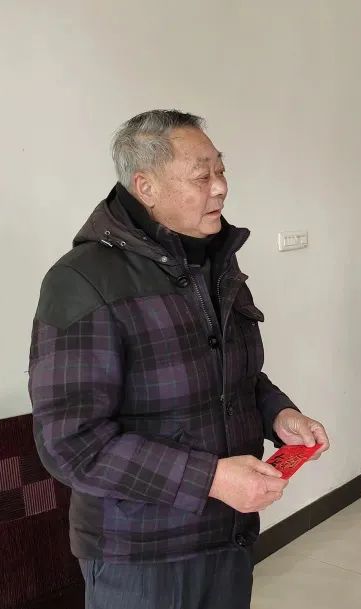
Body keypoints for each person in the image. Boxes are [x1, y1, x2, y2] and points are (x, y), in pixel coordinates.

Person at [29, 110, 329, 609]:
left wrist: (279, 414)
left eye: (221, 171)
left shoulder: (212, 259)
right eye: (201, 176)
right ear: (145, 186)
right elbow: (71, 444)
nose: (221, 188)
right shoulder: (83, 281)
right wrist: (211, 478)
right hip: (141, 556)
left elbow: (233, 373)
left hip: (227, 533)